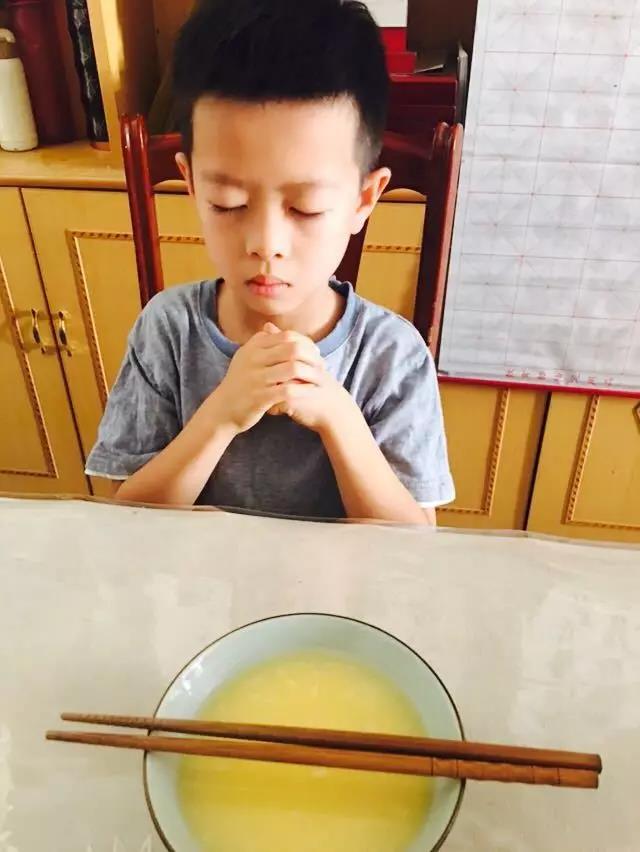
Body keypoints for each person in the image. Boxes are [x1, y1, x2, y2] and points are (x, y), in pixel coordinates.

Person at [86, 0, 455, 524]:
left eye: (305, 208)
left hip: (335, 581)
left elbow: (412, 545)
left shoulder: (392, 355)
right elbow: (126, 522)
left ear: (363, 201)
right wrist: (220, 415)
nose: (266, 243)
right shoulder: (168, 330)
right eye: (228, 204)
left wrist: (338, 418)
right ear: (190, 185)